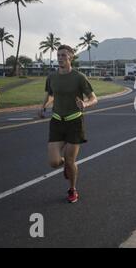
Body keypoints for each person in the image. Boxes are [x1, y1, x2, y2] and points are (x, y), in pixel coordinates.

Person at [39, 44, 98, 203]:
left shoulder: (79, 77)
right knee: (54, 162)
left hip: (74, 122)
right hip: (57, 121)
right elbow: (50, 94)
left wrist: (85, 104)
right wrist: (43, 106)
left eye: (64, 55)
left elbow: (94, 98)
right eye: (58, 55)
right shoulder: (52, 77)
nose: (60, 58)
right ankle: (65, 165)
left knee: (71, 160)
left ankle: (72, 189)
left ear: (71, 57)